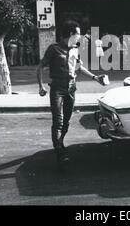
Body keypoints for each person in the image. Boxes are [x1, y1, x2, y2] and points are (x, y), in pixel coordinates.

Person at [36, 20, 107, 162]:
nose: (80, 37)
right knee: (58, 121)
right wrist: (41, 86)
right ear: (71, 34)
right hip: (57, 88)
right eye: (78, 34)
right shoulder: (53, 49)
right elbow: (40, 68)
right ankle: (60, 153)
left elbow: (79, 68)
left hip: (71, 88)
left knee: (67, 120)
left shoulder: (75, 49)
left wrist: (95, 77)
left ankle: (60, 141)